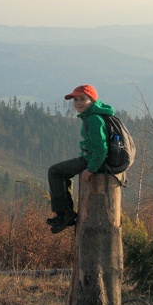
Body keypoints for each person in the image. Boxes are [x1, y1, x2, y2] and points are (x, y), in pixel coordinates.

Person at [46, 84, 114, 234]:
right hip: (91, 158)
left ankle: (65, 214)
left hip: (93, 160)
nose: (78, 103)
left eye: (82, 99)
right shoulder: (93, 115)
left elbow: (101, 149)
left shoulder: (94, 119)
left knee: (55, 172)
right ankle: (64, 213)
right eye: (75, 100)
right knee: (59, 172)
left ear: (92, 100)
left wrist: (91, 169)